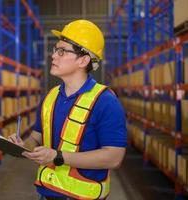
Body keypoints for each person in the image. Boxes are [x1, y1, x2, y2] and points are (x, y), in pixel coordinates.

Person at [8, 19, 127, 200]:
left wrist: (58, 156)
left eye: (62, 51)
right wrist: (22, 147)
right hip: (46, 193)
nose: (54, 56)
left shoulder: (106, 102)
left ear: (83, 60)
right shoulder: (50, 97)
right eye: (55, 50)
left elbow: (114, 157)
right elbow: (36, 137)